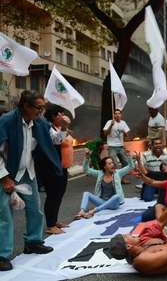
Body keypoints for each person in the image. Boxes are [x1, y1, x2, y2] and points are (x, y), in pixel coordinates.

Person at [0, 90, 60, 271]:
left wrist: (62, 127)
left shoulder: (39, 122)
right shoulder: (7, 121)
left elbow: (54, 139)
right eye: (38, 108)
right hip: (6, 173)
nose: (41, 112)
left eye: (43, 108)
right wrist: (4, 178)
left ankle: (33, 242)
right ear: (25, 106)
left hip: (28, 171)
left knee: (35, 209)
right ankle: (2, 255)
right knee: (4, 216)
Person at [36, 104, 72, 235]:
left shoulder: (57, 128)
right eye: (60, 114)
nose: (63, 116)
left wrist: (64, 128)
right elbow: (56, 141)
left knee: (59, 195)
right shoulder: (47, 127)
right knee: (53, 196)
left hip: (62, 167)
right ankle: (50, 225)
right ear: (53, 116)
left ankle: (54, 221)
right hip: (52, 168)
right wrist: (64, 128)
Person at [75, 150, 135, 219]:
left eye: (112, 163)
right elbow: (86, 170)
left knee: (117, 196)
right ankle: (82, 211)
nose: (112, 165)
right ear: (104, 167)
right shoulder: (99, 174)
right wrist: (87, 157)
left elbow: (131, 167)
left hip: (114, 204)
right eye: (109, 164)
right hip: (102, 202)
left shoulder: (118, 173)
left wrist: (128, 156)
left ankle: (94, 210)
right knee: (86, 193)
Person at [103, 109, 131, 184]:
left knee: (126, 163)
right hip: (112, 147)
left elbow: (127, 136)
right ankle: (115, 179)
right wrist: (111, 125)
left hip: (120, 146)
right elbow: (105, 133)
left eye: (119, 113)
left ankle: (123, 179)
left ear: (121, 115)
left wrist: (124, 132)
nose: (117, 115)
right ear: (114, 115)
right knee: (114, 164)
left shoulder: (123, 123)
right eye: (115, 113)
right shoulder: (109, 122)